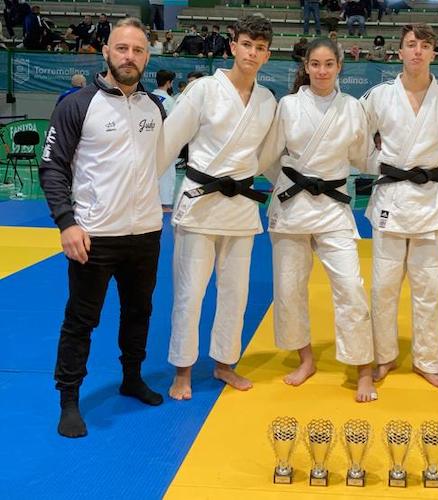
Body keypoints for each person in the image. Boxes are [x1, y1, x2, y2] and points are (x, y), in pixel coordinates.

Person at [39, 17, 166, 438]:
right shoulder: (77, 104)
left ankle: (132, 377)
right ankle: (69, 398)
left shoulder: (155, 107)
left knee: (139, 311)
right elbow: (52, 167)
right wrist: (66, 223)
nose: (130, 57)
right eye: (122, 48)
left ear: (148, 56)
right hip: (93, 235)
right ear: (107, 52)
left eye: (139, 50)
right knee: (81, 319)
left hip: (145, 232)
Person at [161, 15, 277, 401]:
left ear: (267, 54)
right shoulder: (204, 90)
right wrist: (141, 191)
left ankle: (225, 363)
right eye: (247, 44)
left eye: (260, 48)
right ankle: (182, 370)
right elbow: (168, 142)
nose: (253, 53)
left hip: (241, 206)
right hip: (199, 204)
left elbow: (269, 155)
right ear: (233, 47)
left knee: (235, 292)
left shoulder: (266, 100)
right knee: (190, 292)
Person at [258, 38, 376, 402]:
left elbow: (364, 158)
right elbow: (267, 156)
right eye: (315, 64)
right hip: (292, 207)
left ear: (340, 66)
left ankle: (363, 369)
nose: (322, 71)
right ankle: (305, 358)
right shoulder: (288, 105)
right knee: (290, 288)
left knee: (351, 287)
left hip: (333, 207)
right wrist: (290, 182)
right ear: (305, 67)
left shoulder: (353, 108)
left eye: (329, 64)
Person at [360, 23, 438, 387]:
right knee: (383, 286)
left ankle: (427, 360)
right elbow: (359, 139)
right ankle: (383, 356)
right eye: (410, 45)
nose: (417, 51)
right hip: (391, 197)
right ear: (399, 53)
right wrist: (379, 165)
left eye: (425, 45)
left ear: (435, 53)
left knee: (429, 287)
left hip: (431, 201)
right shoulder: (378, 96)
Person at [153, 69, 177, 209]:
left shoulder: (149, 97)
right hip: (165, 141)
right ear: (168, 83)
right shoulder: (169, 101)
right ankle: (165, 203)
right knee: (167, 173)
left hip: (150, 141)